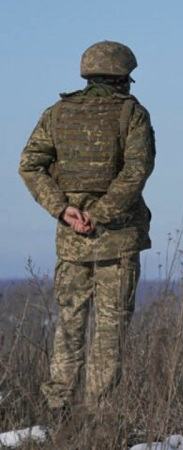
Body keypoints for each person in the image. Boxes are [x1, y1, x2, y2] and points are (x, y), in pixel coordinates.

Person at [18, 41, 155, 418]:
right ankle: (99, 413)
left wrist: (64, 210)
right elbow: (137, 170)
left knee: (69, 324)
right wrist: (102, 212)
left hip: (72, 241)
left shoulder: (56, 113)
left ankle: (58, 407)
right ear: (123, 75)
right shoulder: (132, 114)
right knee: (111, 330)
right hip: (118, 240)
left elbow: (30, 165)